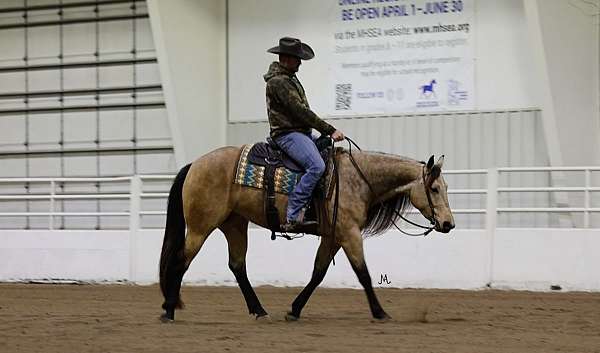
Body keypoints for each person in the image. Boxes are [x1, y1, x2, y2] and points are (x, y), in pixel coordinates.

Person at [264, 36, 345, 231]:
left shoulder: (289, 79)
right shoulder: (278, 82)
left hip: (300, 132)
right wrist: (329, 130)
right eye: (296, 58)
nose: (300, 62)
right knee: (316, 166)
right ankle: (293, 212)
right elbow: (300, 111)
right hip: (287, 134)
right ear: (286, 58)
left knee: (328, 155)